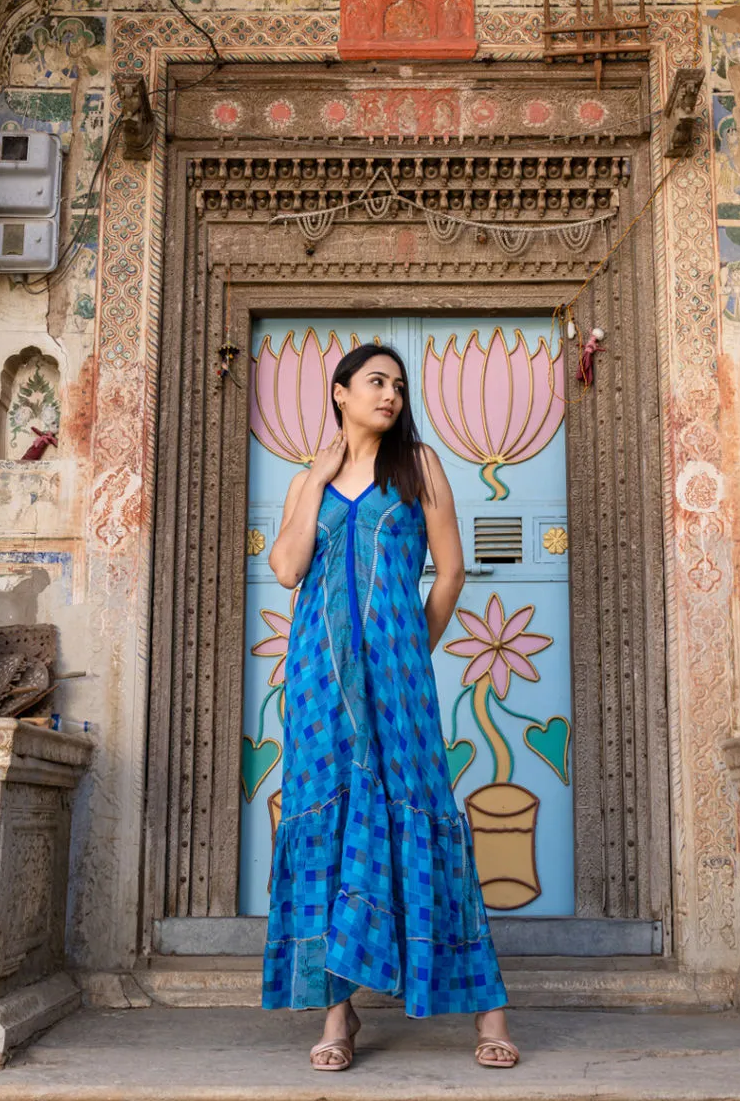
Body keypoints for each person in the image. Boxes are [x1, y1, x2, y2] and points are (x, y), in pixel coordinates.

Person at [262, 342, 519, 1071]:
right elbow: (286, 570)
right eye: (376, 382)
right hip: (318, 677)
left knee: (423, 812)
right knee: (329, 822)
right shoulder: (307, 479)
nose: (391, 395)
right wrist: (313, 481)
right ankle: (337, 1018)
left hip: (397, 678)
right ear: (339, 392)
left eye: (399, 386)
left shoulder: (420, 466)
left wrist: (412, 644)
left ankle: (488, 1009)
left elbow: (450, 568)